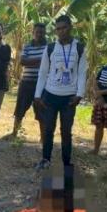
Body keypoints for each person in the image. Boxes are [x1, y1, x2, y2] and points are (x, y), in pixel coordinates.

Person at [34, 15, 87, 170]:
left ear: (70, 27)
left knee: (66, 131)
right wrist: (38, 95)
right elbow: (43, 72)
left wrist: (79, 94)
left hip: (69, 98)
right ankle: (45, 159)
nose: (61, 31)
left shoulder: (79, 48)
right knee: (48, 129)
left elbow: (82, 73)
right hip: (50, 95)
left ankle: (66, 163)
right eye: (58, 29)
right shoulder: (50, 48)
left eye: (64, 28)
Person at [12, 23, 47, 142]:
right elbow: (22, 61)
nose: (39, 34)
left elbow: (48, 63)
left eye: (41, 32)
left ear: (45, 33)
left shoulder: (48, 47)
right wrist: (40, 60)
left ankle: (43, 138)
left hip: (41, 84)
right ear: (33, 33)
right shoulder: (27, 46)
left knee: (42, 111)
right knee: (20, 109)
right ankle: (14, 133)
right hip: (26, 82)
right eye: (37, 32)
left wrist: (31, 61)